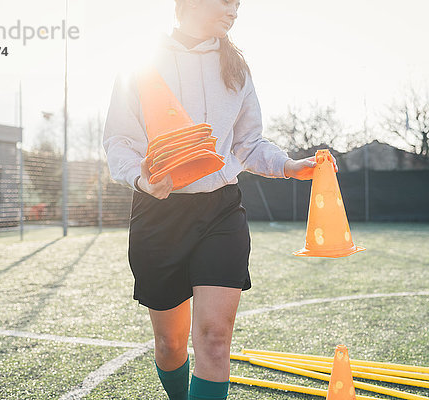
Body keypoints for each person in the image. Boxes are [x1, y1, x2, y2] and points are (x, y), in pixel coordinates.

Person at [103, 1, 333, 398]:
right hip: (159, 215)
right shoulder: (140, 64)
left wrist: (288, 165)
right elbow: (118, 141)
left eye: (237, 6)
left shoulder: (236, 68)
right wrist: (142, 178)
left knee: (213, 338)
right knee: (170, 344)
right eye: (225, 2)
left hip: (220, 211)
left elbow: (248, 143)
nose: (233, 11)